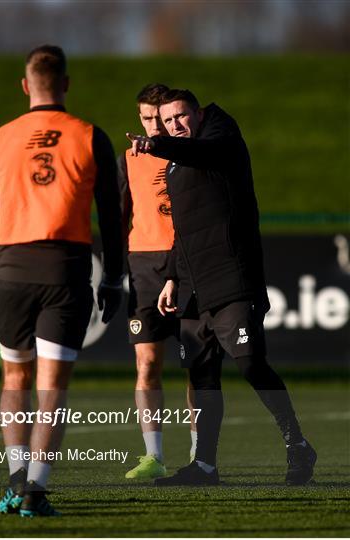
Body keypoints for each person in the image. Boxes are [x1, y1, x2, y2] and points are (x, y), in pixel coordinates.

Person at [127, 88, 317, 487]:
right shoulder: (176, 166)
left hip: (232, 278)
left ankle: (297, 444)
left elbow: (206, 153)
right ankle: (205, 467)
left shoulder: (221, 139)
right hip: (193, 287)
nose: (174, 125)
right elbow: (182, 231)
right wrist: (173, 278)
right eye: (166, 121)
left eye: (180, 117)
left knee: (251, 365)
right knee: (201, 376)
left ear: (197, 114)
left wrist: (156, 144)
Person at [0, 44, 123, 516]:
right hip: (65, 269)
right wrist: (115, 278)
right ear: (66, 84)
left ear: (26, 86)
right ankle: (35, 489)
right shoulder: (90, 136)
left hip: (11, 270)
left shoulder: (0, 137)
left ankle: (16, 478)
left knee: (14, 378)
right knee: (52, 386)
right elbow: (112, 217)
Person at [119, 83, 200, 479]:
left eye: (160, 119)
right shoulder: (130, 159)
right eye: (147, 118)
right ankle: (153, 455)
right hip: (143, 268)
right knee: (146, 361)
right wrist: (116, 273)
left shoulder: (192, 154)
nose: (155, 126)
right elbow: (120, 215)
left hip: (186, 263)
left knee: (195, 365)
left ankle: (201, 456)